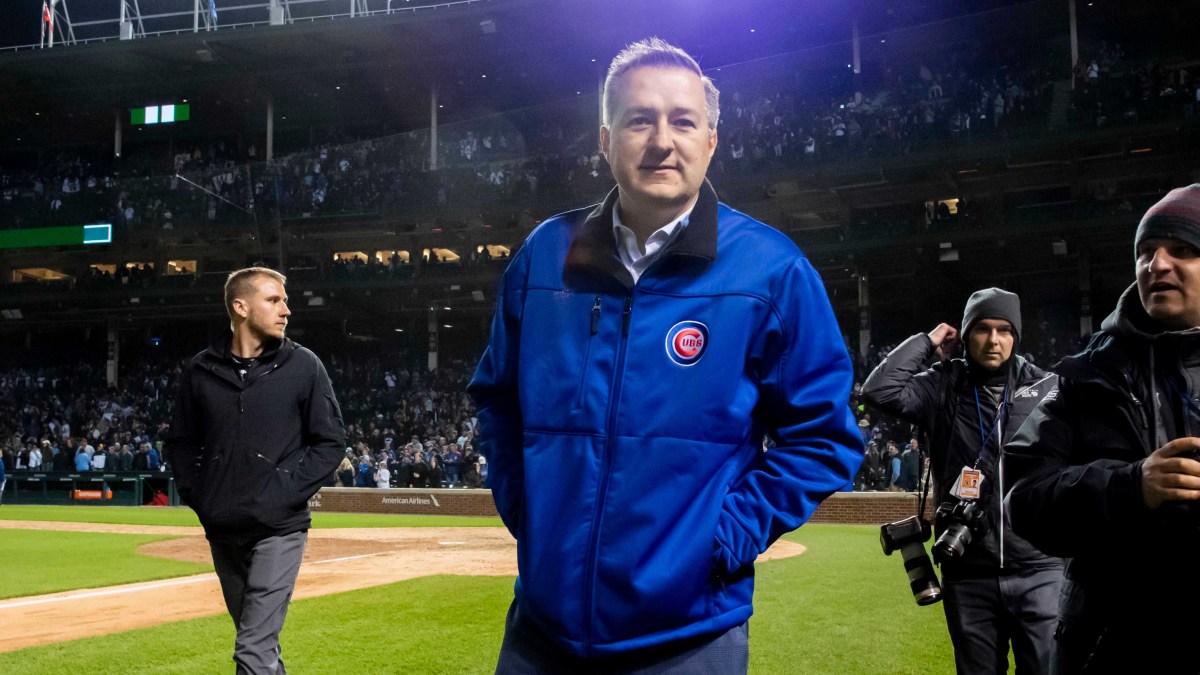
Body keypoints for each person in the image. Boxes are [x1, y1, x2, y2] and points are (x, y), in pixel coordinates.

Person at [468, 37, 862, 673]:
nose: (661, 140)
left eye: (683, 121)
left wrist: (719, 541)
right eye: (639, 120)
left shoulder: (773, 271)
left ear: (711, 141)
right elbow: (496, 398)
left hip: (689, 641)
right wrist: (528, 513)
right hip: (540, 636)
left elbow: (824, 437)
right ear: (605, 140)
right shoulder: (545, 255)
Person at [1006, 185, 1200, 673]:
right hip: (1106, 646)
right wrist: (1130, 485)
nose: (1156, 265)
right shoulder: (1085, 376)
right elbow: (1023, 499)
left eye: (1183, 250)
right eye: (1145, 252)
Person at [861, 288, 1062, 674]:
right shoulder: (942, 386)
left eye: (1004, 330)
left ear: (1016, 336)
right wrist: (929, 340)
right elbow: (878, 390)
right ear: (966, 334)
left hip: (1039, 569)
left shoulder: (1047, 389)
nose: (993, 340)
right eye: (982, 329)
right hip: (968, 571)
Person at [166, 267, 345, 674]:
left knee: (251, 648)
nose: (287, 310)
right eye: (274, 300)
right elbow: (180, 442)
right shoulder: (201, 370)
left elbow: (331, 441)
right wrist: (199, 495)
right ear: (240, 307)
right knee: (260, 645)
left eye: (284, 300)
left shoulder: (304, 366)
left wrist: (284, 493)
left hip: (278, 528)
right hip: (223, 529)